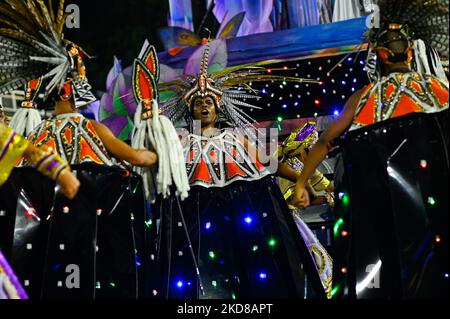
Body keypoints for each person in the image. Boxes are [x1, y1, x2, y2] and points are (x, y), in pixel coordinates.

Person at [130, 39, 329, 299]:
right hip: (199, 218)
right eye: (198, 101)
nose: (203, 104)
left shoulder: (237, 138)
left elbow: (271, 165)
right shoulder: (179, 140)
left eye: (209, 101)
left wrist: (303, 181)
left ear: (218, 107)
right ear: (190, 109)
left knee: (256, 271)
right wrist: (148, 122)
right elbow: (152, 157)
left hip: (243, 214)